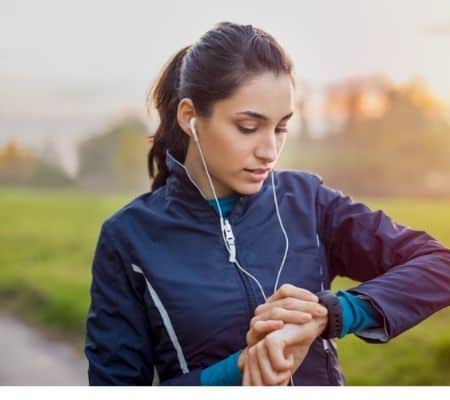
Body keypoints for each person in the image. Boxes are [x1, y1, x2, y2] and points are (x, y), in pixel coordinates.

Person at [84, 21, 450, 386]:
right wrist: (237, 371)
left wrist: (332, 313)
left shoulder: (307, 202)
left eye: (280, 128)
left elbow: (439, 265)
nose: (269, 152)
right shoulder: (128, 238)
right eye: (248, 127)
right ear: (190, 118)